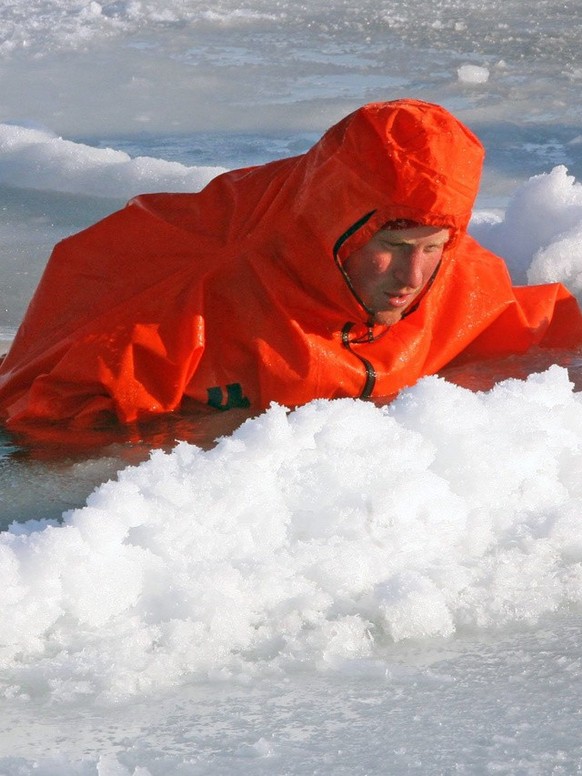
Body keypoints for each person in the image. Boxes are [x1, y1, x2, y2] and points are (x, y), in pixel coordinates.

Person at [1, 98, 581, 432]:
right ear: (338, 224)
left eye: (434, 247)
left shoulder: (456, 278)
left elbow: (552, 338)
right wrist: (213, 448)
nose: (413, 279)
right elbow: (43, 427)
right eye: (397, 248)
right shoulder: (183, 305)